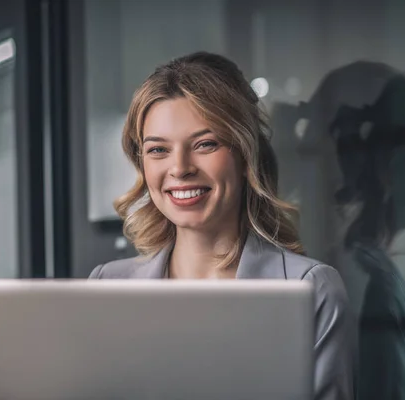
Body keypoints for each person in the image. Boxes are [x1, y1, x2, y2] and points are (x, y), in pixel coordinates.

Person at [88, 51, 356, 400]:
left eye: (205, 144)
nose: (180, 168)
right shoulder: (107, 286)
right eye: (158, 150)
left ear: (245, 156)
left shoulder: (311, 289)